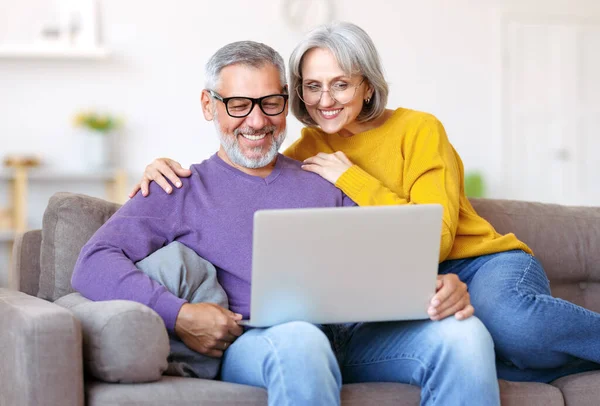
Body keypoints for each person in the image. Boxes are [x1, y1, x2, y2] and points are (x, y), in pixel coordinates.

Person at [134, 21, 600, 384]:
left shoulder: (419, 129)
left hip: (480, 263)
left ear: (367, 86)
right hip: (411, 284)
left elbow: (433, 238)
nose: (325, 100)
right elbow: (247, 168)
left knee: (515, 324)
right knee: (472, 351)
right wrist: (160, 167)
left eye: (340, 84)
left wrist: (351, 177)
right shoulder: (303, 152)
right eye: (312, 86)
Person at [73, 40, 500, 406]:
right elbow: (93, 263)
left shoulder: (321, 173)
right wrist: (180, 313)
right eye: (238, 105)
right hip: (260, 343)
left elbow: (383, 259)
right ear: (209, 105)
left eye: (270, 103)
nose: (257, 121)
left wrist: (438, 284)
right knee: (300, 338)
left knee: (465, 335)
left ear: (287, 103)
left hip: (353, 338)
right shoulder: (178, 187)